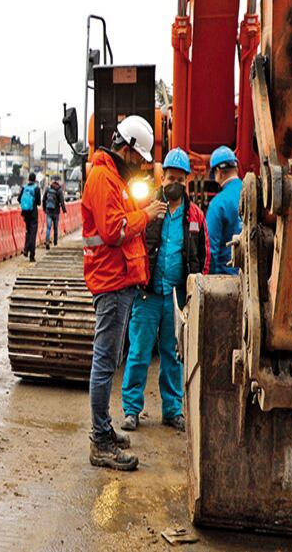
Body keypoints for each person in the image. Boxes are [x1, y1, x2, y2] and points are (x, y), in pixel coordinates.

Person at [82, 115, 164, 471]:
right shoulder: (102, 178)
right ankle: (100, 440)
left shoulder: (114, 178)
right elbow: (115, 230)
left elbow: (124, 218)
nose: (141, 165)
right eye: (139, 158)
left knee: (109, 361)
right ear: (127, 149)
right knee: (104, 364)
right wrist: (146, 215)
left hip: (120, 280)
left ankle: (104, 430)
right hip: (111, 282)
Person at [121, 148, 209, 433]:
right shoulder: (147, 207)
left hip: (176, 299)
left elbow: (203, 254)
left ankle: (172, 410)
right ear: (162, 177)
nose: (175, 183)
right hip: (147, 295)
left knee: (173, 356)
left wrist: (195, 291)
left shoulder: (194, 215)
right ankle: (131, 409)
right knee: (139, 352)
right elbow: (131, 239)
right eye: (171, 177)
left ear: (187, 181)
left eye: (181, 180)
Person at [205, 146, 243, 275]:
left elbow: (211, 249)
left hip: (226, 279)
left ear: (218, 172)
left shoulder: (218, 204)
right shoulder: (255, 195)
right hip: (252, 279)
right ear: (236, 168)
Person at [19, 174, 41, 261]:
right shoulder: (36, 188)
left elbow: (19, 198)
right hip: (33, 214)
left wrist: (25, 204)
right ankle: (32, 256)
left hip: (25, 213)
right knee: (33, 234)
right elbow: (39, 202)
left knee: (28, 232)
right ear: (35, 179)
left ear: (28, 179)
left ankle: (25, 249)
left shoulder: (24, 188)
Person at [43, 176, 67, 249]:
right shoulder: (59, 190)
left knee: (48, 228)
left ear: (52, 181)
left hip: (48, 211)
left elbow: (44, 199)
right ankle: (55, 243)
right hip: (56, 212)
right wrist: (64, 211)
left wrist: (44, 208)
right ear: (58, 181)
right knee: (55, 228)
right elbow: (62, 202)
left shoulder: (48, 189)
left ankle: (47, 241)